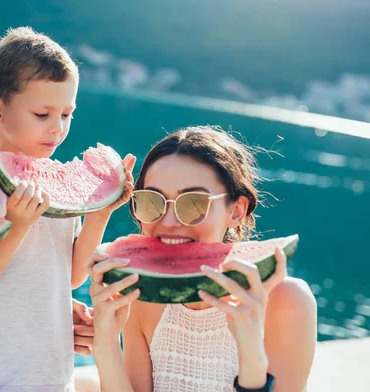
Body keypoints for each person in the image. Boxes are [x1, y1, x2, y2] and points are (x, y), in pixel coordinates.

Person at [0, 26, 135, 392]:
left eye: (67, 114)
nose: (57, 129)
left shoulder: (63, 189)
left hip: (49, 379)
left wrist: (100, 211)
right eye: (43, 114)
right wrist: (15, 223)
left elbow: (72, 276)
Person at [88, 126, 317, 392]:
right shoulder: (142, 293)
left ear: (237, 210)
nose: (170, 222)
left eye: (194, 203)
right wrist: (105, 344)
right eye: (153, 202)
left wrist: (251, 357)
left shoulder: (287, 301)